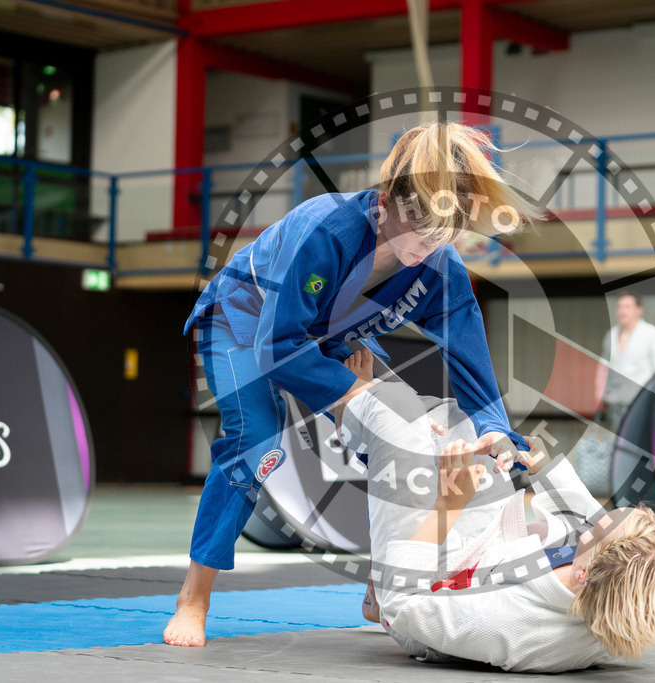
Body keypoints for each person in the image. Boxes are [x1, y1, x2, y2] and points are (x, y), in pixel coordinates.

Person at [164, 122, 541, 647]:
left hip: (326, 332)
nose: (428, 246)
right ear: (386, 203)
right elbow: (277, 346)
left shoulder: (442, 266)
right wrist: (354, 393)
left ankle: (382, 583)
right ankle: (193, 597)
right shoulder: (329, 230)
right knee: (257, 438)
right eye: (421, 228)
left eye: (443, 234)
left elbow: (474, 370)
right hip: (247, 320)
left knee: (412, 438)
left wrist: (499, 434)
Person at [338, 349, 655, 672]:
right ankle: (378, 427)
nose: (594, 520)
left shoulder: (512, 627)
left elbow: (403, 606)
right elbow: (588, 527)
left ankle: (347, 409)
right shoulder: (611, 583)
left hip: (429, 585)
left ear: (582, 574)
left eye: (598, 527)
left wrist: (448, 506)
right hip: (489, 546)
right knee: (464, 421)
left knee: (390, 411)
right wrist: (543, 468)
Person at [596, 291, 655, 432]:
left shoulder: (652, 334)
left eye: (627, 306)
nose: (622, 311)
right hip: (614, 402)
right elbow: (603, 367)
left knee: (638, 442)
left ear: (639, 310)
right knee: (618, 442)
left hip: (641, 403)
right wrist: (600, 394)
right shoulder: (611, 335)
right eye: (620, 307)